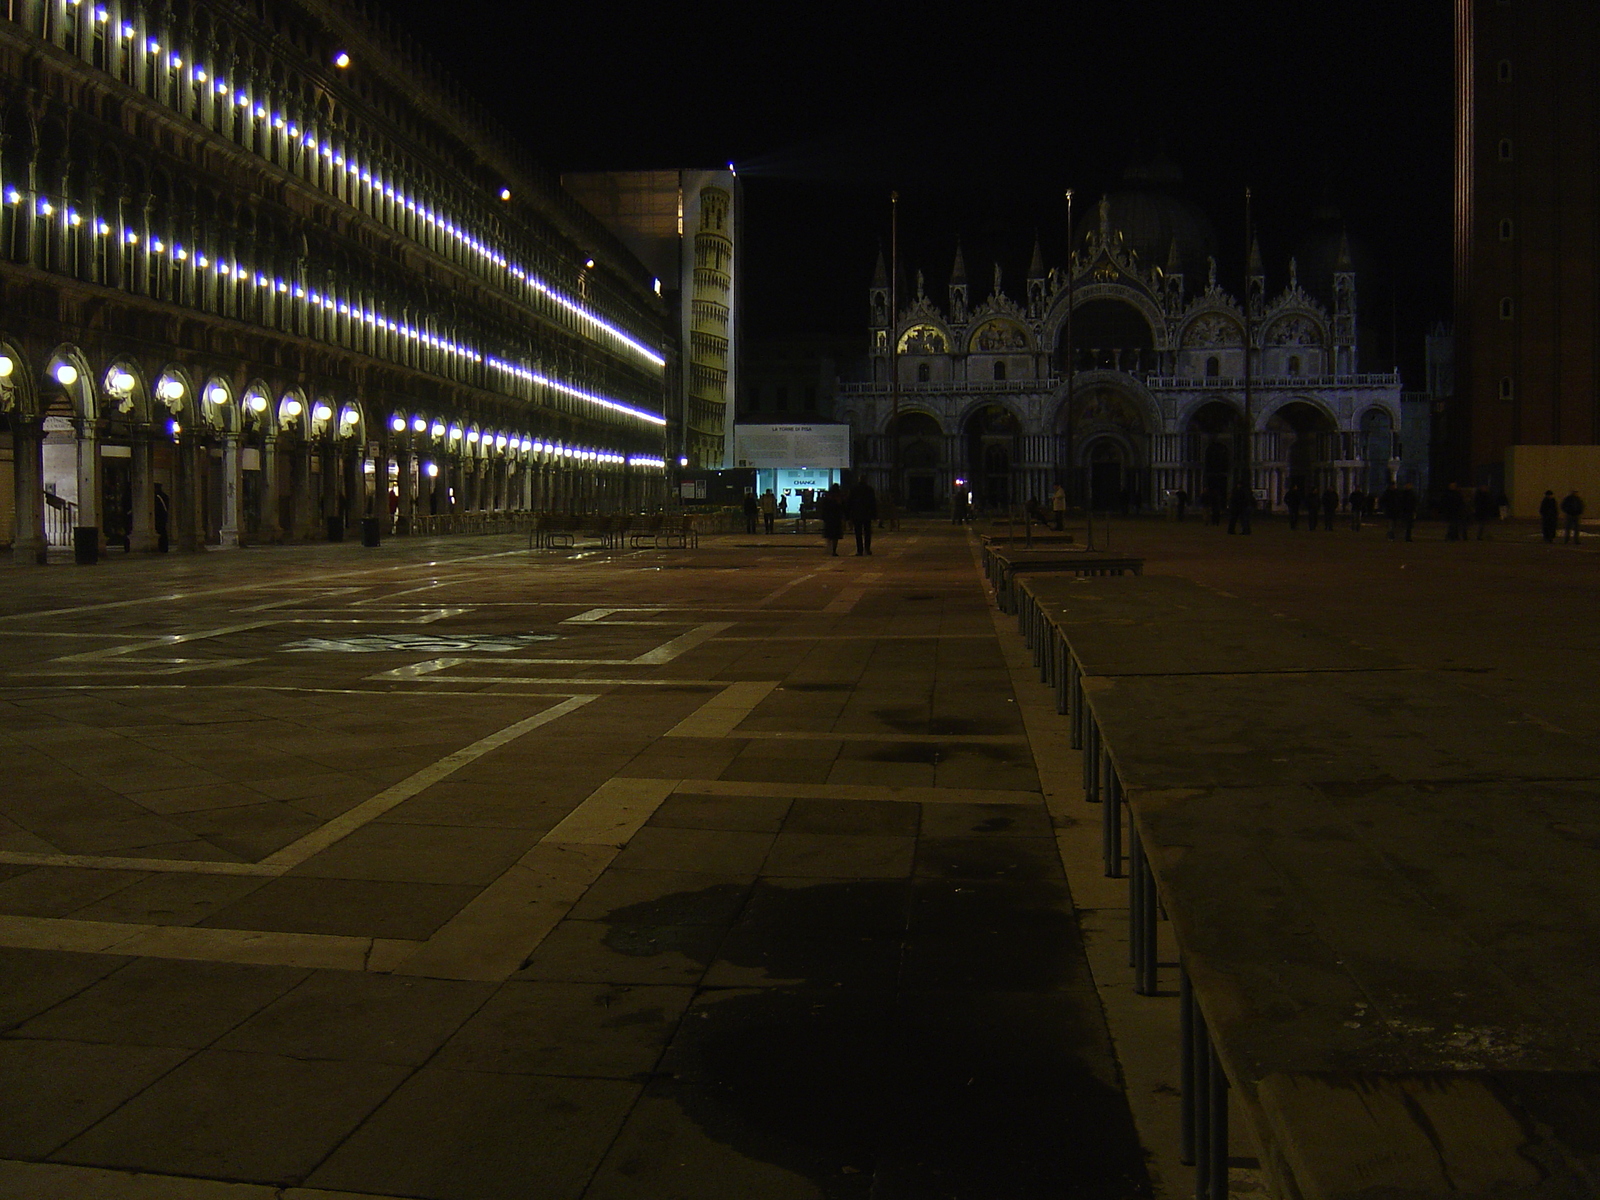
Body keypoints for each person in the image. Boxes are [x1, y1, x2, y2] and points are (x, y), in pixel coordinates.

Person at [847, 477, 878, 555]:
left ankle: (859, 550)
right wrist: (874, 515)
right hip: (867, 514)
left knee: (858, 533)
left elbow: (849, 502)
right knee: (867, 533)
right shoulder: (869, 490)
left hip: (856, 514)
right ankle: (867, 549)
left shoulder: (854, 489)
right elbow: (873, 503)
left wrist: (848, 515)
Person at [819, 484, 844, 555]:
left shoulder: (827, 497)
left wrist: (823, 516)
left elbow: (823, 507)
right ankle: (834, 550)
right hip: (836, 518)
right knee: (835, 536)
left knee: (829, 535)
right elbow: (841, 507)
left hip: (829, 518)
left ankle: (829, 548)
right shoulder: (838, 497)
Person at [153, 483, 170, 553]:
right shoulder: (164, 496)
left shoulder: (158, 497)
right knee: (163, 531)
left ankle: (163, 547)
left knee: (161, 531)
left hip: (160, 516)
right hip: (162, 516)